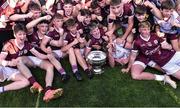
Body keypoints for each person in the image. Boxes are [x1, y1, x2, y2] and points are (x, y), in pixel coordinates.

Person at [0, 23, 63, 102]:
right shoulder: (9, 44)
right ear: (14, 34)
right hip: (9, 68)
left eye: (24, 34)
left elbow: (39, 55)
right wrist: (9, 63)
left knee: (49, 66)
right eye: (20, 34)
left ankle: (48, 90)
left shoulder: (27, 44)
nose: (22, 37)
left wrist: (49, 55)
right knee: (25, 81)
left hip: (22, 62)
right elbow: (0, 60)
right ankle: (34, 83)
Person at [127, 21, 179, 89]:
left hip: (173, 55)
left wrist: (166, 44)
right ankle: (164, 78)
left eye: (148, 29)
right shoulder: (137, 42)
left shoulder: (154, 35)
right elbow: (133, 56)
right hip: (165, 63)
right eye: (144, 29)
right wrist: (128, 67)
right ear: (139, 30)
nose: (147, 32)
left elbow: (169, 47)